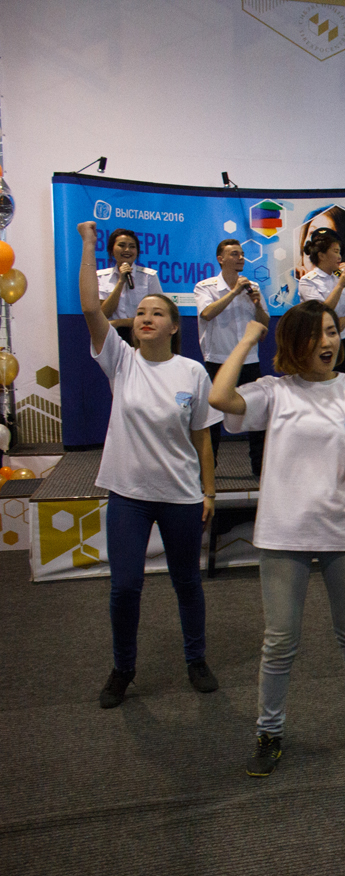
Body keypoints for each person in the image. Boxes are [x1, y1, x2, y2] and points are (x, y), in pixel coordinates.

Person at [208, 301, 345, 777]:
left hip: (342, 531)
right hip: (282, 532)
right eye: (315, 334)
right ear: (294, 344)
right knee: (279, 641)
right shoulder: (275, 391)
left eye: (331, 331)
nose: (327, 342)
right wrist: (247, 340)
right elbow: (219, 397)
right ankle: (269, 731)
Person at [75, 221, 221, 709]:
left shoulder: (192, 372)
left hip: (181, 495)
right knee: (125, 587)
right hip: (129, 496)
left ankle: (196, 659)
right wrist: (89, 245)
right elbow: (91, 307)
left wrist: (209, 492)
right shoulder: (120, 360)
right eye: (140, 312)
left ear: (174, 326)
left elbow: (203, 439)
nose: (146, 317)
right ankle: (123, 668)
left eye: (157, 312)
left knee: (187, 583)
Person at [194, 239, 271, 477]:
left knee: (257, 414)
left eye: (242, 254)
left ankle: (260, 468)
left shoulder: (253, 287)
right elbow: (207, 313)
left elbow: (264, 325)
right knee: (213, 418)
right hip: (218, 359)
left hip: (249, 360)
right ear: (221, 259)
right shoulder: (205, 287)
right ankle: (208, 470)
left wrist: (257, 305)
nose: (240, 258)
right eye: (234, 254)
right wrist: (235, 292)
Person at [296, 228, 345, 377]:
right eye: (335, 252)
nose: (339, 257)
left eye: (340, 252)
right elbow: (321, 312)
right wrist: (340, 286)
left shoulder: (338, 279)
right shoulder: (308, 281)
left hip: (344, 341)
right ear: (321, 255)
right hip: (322, 344)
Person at [97, 228, 162, 346]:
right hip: (111, 336)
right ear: (111, 249)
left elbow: (157, 314)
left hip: (142, 334)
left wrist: (119, 323)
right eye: (122, 245)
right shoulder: (101, 277)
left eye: (132, 246)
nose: (127, 250)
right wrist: (121, 281)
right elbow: (103, 314)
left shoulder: (149, 276)